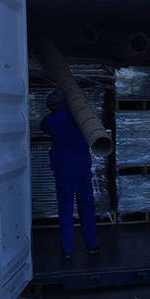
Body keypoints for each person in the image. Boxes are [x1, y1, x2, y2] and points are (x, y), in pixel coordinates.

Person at [40, 89, 101, 261]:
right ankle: (92, 245)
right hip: (82, 169)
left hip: (63, 170)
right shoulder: (81, 118)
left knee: (65, 209)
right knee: (87, 207)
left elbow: (42, 126)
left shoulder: (51, 121)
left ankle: (67, 249)